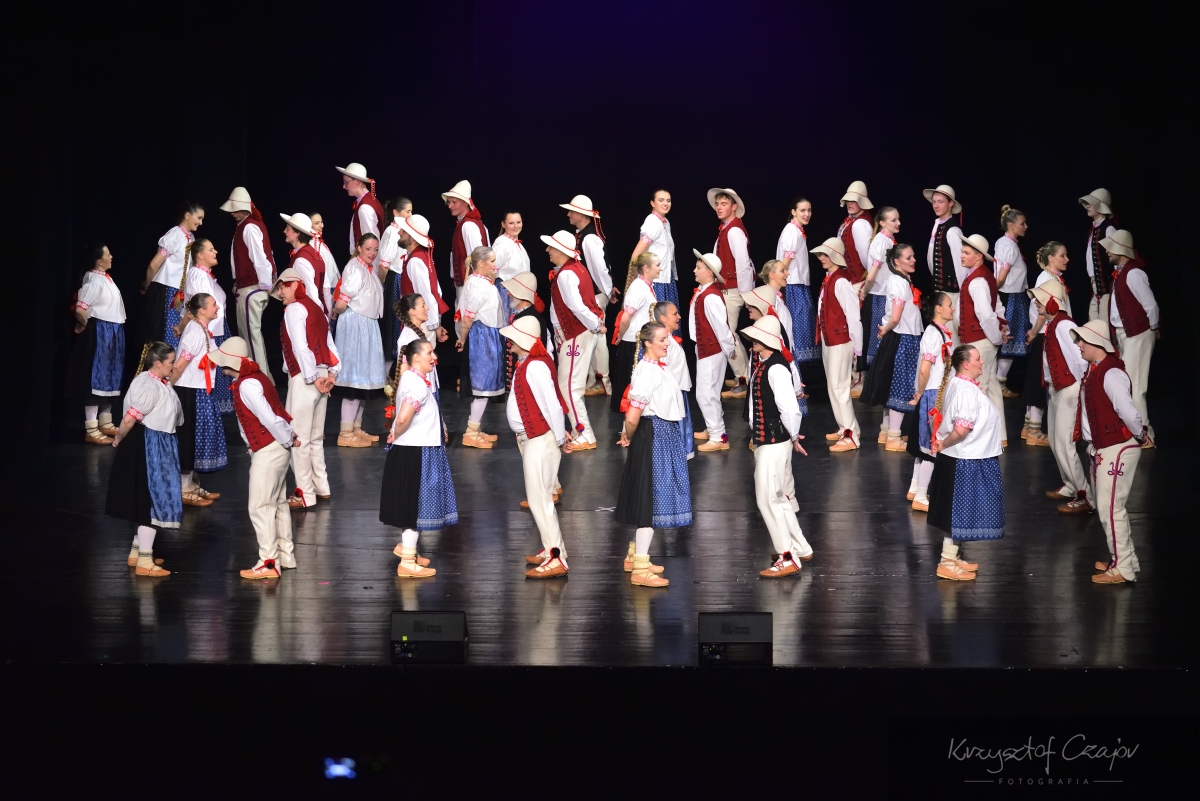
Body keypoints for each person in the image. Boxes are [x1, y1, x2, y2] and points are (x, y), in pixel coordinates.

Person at [209, 337, 299, 580]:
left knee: (260, 506)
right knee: (277, 503)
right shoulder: (254, 378)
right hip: (274, 447)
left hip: (270, 448)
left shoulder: (248, 385)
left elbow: (269, 417)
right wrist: (287, 438)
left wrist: (287, 438)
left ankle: (269, 563)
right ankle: (285, 556)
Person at [1070, 320, 1149, 584]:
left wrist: (1140, 434)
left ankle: (1123, 568)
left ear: (1097, 342)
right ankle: (1124, 560)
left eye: (1083, 340)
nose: (1079, 345)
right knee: (1109, 508)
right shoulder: (1095, 369)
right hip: (1105, 446)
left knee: (1110, 508)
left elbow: (1127, 411)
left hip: (1117, 446)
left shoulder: (1111, 373)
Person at [615, 321, 691, 587]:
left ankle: (635, 555)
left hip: (661, 434)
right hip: (654, 435)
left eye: (667, 338)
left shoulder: (657, 366)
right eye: (661, 339)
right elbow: (633, 415)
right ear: (648, 343)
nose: (667, 343)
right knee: (651, 500)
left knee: (652, 497)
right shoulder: (647, 371)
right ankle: (640, 568)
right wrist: (630, 436)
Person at [740, 316, 813, 577]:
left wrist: (793, 436)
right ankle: (800, 547)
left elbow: (790, 409)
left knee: (768, 499)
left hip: (773, 443)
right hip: (768, 441)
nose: (752, 341)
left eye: (756, 338)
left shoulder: (776, 368)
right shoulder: (765, 364)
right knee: (779, 497)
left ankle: (787, 556)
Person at [501, 315, 574, 578]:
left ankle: (556, 558)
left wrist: (559, 438)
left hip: (540, 440)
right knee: (540, 499)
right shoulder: (529, 362)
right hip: (535, 438)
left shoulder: (535, 366)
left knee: (540, 500)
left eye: (513, 338)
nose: (509, 343)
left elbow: (552, 404)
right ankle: (553, 549)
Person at [105, 341, 184, 577]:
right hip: (151, 445)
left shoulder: (158, 381)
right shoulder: (148, 385)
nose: (173, 366)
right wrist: (119, 438)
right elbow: (130, 419)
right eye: (171, 362)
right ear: (158, 363)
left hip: (157, 442)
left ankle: (137, 552)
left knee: (145, 499)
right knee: (152, 499)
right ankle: (145, 561)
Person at [927, 344, 1005, 581]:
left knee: (961, 511)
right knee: (957, 512)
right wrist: (944, 443)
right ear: (965, 364)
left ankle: (953, 556)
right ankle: (946, 561)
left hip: (968, 456)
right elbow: (961, 430)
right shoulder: (965, 391)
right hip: (965, 459)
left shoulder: (961, 384)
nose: (982, 362)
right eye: (978, 359)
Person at [381, 338, 457, 578]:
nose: (435, 357)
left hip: (417, 448)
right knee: (415, 507)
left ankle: (408, 550)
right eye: (429, 353)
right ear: (416, 358)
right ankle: (406, 562)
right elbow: (404, 417)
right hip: (417, 451)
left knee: (416, 505)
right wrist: (397, 433)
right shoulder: (416, 384)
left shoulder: (413, 378)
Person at [272, 267, 340, 510]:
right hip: (321, 373)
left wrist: (312, 377)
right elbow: (329, 344)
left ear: (294, 284)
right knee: (315, 438)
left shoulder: (294, 309)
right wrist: (332, 373)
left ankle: (305, 494)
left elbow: (300, 347)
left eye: (282, 287)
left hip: (305, 377)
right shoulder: (316, 307)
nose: (280, 293)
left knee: (299, 439)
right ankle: (321, 487)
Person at [1027, 281, 1091, 513]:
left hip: (1068, 390)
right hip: (1057, 389)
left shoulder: (1064, 325)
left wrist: (1080, 391)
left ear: (1052, 301)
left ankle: (1086, 496)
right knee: (1055, 442)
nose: (1036, 303)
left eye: (1040, 300)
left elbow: (1080, 360)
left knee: (1065, 444)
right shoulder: (1054, 324)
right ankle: (1071, 485)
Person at [544, 230, 606, 450]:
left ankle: (585, 433)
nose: (547, 250)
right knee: (569, 386)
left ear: (561, 250)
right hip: (576, 334)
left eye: (551, 247)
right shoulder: (575, 269)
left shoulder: (567, 274)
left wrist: (595, 324)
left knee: (569, 387)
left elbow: (578, 307)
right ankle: (581, 431)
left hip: (576, 335)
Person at [860, 243, 924, 452]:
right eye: (908, 257)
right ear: (896, 261)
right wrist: (885, 329)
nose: (913, 260)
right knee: (900, 387)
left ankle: (886, 430)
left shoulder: (901, 280)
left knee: (892, 384)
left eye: (913, 256)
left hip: (901, 335)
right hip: (902, 338)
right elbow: (896, 317)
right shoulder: (898, 282)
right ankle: (894, 437)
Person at [1102, 229, 1159, 445]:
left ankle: (1145, 434)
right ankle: (1134, 431)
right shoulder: (1120, 273)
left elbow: (1151, 306)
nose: (1107, 251)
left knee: (1135, 384)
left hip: (1138, 334)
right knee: (1127, 383)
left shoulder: (1134, 274)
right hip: (1126, 334)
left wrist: (1151, 329)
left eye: (1111, 247)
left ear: (1121, 249)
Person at [169, 292, 226, 506]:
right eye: (213, 305)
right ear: (202, 310)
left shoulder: (202, 329)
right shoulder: (195, 331)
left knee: (197, 436)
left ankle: (191, 483)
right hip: (190, 391)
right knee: (189, 437)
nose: (217, 307)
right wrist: (167, 388)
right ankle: (183, 488)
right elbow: (179, 366)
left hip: (200, 390)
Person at [902, 291, 957, 512]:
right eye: (950, 305)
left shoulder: (938, 332)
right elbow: (925, 369)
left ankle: (915, 488)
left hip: (934, 393)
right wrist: (921, 392)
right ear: (939, 309)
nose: (953, 309)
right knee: (932, 447)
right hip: (934, 394)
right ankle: (921, 496)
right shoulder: (934, 334)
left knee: (925, 445)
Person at [67, 242, 126, 444]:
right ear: (99, 261)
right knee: (97, 379)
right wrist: (85, 325)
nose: (112, 257)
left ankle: (105, 421)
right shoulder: (93, 279)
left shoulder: (106, 278)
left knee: (111, 377)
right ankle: (91, 428)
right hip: (101, 331)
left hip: (114, 330)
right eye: (108, 255)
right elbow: (80, 309)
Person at [332, 233, 386, 447]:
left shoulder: (367, 269)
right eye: (368, 249)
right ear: (359, 248)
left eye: (375, 249)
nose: (372, 253)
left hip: (366, 324)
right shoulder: (355, 268)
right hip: (356, 324)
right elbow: (342, 301)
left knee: (364, 378)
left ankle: (355, 428)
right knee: (354, 377)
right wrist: (336, 312)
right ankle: (345, 433)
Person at [955, 234, 1009, 445]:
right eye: (962, 251)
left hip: (980, 341)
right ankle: (999, 435)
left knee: (980, 387)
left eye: (966, 253)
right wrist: (1000, 331)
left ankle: (982, 438)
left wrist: (996, 337)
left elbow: (986, 315)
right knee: (991, 386)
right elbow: (998, 307)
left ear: (978, 256)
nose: (962, 255)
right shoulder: (980, 275)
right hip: (982, 339)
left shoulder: (978, 280)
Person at [561, 195, 616, 398]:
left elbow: (599, 269)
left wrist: (607, 291)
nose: (568, 214)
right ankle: (593, 379)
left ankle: (603, 380)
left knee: (598, 336)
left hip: (595, 295)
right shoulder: (582, 236)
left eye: (572, 211)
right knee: (592, 336)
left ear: (581, 215)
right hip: (593, 293)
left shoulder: (589, 238)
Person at [221, 188, 277, 381]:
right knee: (250, 334)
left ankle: (261, 378)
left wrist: (265, 286)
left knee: (251, 336)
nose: (232, 213)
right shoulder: (248, 224)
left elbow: (261, 258)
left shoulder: (250, 227)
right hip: (251, 286)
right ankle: (261, 377)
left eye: (234, 209)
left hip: (253, 288)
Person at [812, 238, 862, 452]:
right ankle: (847, 428)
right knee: (834, 386)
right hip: (830, 340)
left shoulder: (841, 282)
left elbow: (853, 315)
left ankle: (851, 436)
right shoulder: (830, 279)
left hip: (840, 341)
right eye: (821, 255)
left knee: (840, 387)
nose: (821, 258)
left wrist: (857, 346)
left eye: (825, 254)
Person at [1021, 241, 1072, 445]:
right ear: (1051, 258)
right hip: (1046, 333)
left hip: (1047, 333)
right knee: (1042, 379)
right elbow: (1043, 311)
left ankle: (1029, 427)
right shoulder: (1047, 279)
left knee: (1038, 376)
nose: (1066, 259)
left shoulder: (1053, 278)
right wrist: (1034, 333)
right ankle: (1034, 429)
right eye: (1062, 255)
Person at [176, 237, 234, 414]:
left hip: (216, 330)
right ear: (200, 255)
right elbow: (195, 308)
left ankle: (212, 418)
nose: (215, 252)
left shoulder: (206, 275)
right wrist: (181, 326)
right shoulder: (197, 275)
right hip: (208, 333)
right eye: (211, 249)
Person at [457, 246, 506, 448]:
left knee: (486, 384)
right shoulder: (478, 285)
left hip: (488, 335)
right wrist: (463, 338)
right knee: (483, 385)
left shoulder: (481, 282)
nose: (495, 265)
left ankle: (475, 429)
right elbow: (468, 317)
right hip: (482, 337)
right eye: (492, 261)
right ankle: (471, 432)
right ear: (481, 263)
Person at [708, 188, 752, 398]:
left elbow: (744, 263)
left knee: (728, 334)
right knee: (727, 332)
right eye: (717, 204)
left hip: (733, 289)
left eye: (724, 204)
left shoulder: (734, 231)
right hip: (728, 287)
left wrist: (746, 293)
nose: (719, 207)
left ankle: (743, 379)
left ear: (734, 207)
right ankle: (741, 375)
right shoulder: (726, 229)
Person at [140, 201, 203, 349]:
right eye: (199, 218)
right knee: (165, 332)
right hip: (167, 290)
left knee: (176, 331)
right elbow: (154, 264)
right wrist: (149, 286)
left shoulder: (191, 238)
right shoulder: (175, 234)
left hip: (179, 292)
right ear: (187, 215)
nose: (201, 223)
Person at [689, 250, 736, 452]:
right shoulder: (705, 292)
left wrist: (729, 349)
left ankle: (719, 436)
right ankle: (713, 428)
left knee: (706, 394)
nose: (694, 270)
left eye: (698, 267)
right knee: (710, 392)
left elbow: (721, 327)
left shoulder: (710, 297)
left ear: (709, 272)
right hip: (706, 348)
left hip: (711, 350)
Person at [612, 252, 661, 414]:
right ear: (646, 268)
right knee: (631, 379)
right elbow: (626, 317)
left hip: (639, 340)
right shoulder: (639, 287)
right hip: (634, 342)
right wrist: (621, 335)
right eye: (657, 265)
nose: (660, 268)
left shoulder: (645, 286)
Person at [776, 198, 819, 362]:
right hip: (793, 284)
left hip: (798, 283)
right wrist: (780, 279)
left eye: (809, 210)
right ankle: (795, 365)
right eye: (803, 210)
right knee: (797, 326)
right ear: (793, 212)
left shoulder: (797, 230)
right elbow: (787, 258)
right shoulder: (792, 231)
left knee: (802, 325)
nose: (807, 214)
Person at [397, 214, 451, 345]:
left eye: (403, 231)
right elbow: (436, 291)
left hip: (420, 323)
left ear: (412, 237)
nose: (399, 232)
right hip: (423, 320)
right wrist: (436, 323)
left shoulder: (415, 260)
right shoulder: (421, 255)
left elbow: (426, 294)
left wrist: (434, 325)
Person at [994, 206, 1030, 398]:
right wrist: (994, 290)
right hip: (1011, 297)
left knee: (1008, 339)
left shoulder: (1006, 243)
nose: (1025, 226)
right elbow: (1002, 275)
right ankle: (999, 382)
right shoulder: (1008, 246)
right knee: (1009, 338)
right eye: (1022, 223)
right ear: (1011, 225)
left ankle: (999, 381)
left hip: (1011, 295)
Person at [653, 301, 695, 459]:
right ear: (663, 318)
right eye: (675, 314)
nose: (679, 317)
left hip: (678, 394)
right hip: (672, 397)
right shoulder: (666, 344)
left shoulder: (669, 340)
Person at [862, 206, 900, 378]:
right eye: (893, 220)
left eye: (898, 219)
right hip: (879, 297)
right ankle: (874, 379)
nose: (898, 223)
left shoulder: (888, 240)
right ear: (882, 223)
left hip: (887, 296)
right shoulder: (881, 242)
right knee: (878, 339)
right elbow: (872, 275)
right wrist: (865, 291)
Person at [378, 197, 414, 364]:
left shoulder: (403, 231)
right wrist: (382, 285)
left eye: (411, 211)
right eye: (407, 211)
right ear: (396, 213)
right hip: (394, 279)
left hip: (401, 278)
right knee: (394, 320)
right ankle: (392, 360)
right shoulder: (392, 232)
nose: (410, 215)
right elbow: (384, 264)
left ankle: (401, 358)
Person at [443, 180, 489, 301]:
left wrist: (475, 287)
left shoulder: (468, 226)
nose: (450, 206)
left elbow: (478, 258)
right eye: (449, 202)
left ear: (465, 203)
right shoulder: (471, 223)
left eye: (454, 202)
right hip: (467, 284)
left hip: (470, 285)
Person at [630, 189, 678, 305]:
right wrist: (636, 277)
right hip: (655, 280)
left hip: (665, 277)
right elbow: (636, 254)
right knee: (657, 314)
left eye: (668, 201)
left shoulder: (665, 222)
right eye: (661, 200)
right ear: (652, 203)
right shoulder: (653, 222)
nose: (665, 203)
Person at [280, 212, 329, 316]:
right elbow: (325, 288)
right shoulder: (313, 253)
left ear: (297, 233)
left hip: (308, 314)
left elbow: (311, 293)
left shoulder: (301, 260)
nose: (284, 231)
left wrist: (320, 317)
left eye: (288, 229)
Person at [924, 184, 965, 309]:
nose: (936, 205)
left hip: (951, 292)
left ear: (951, 203)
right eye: (934, 202)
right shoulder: (937, 225)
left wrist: (964, 291)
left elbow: (960, 264)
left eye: (940, 202)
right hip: (940, 289)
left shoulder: (952, 230)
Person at [1080, 188, 1117, 322]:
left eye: (1091, 203)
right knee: (1093, 322)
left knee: (1103, 323)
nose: (1087, 206)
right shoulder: (1093, 229)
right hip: (1095, 285)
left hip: (1106, 286)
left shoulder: (1108, 229)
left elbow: (1116, 259)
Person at [337, 162, 383, 259]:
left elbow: (372, 242)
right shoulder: (370, 201)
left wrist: (372, 267)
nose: (344, 186)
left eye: (346, 182)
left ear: (357, 182)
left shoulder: (365, 207)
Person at [493, 210, 530, 314]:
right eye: (511, 223)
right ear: (503, 224)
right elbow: (491, 270)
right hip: (506, 293)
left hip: (518, 293)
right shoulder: (502, 243)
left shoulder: (517, 244)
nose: (516, 226)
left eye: (518, 222)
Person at [309, 213, 342, 319]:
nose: (321, 226)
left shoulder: (320, 244)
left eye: (321, 222)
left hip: (333, 289)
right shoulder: (312, 246)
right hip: (326, 291)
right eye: (317, 223)